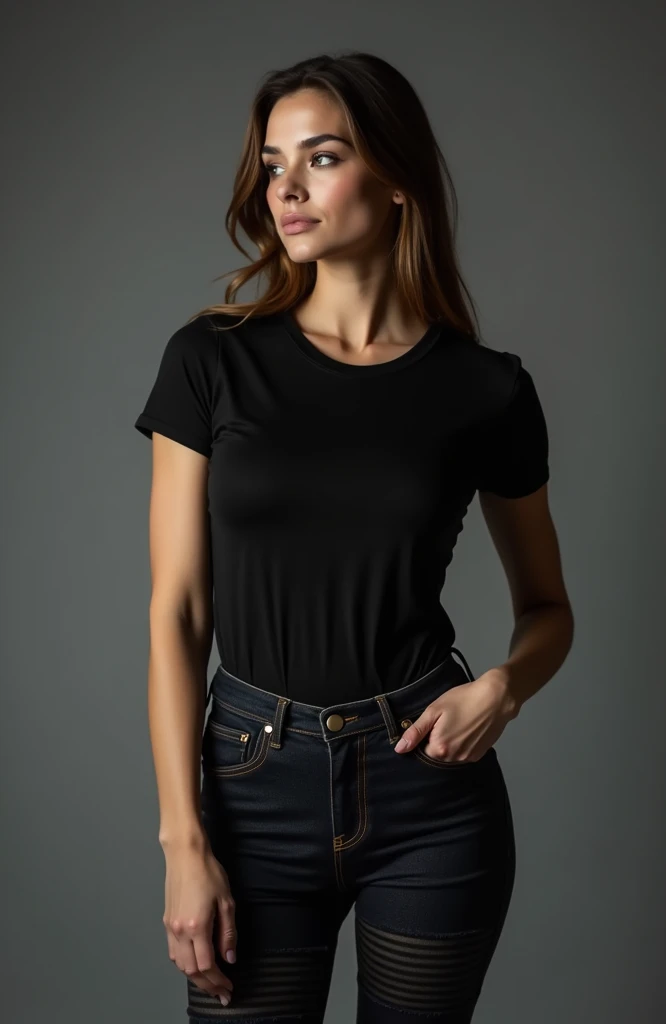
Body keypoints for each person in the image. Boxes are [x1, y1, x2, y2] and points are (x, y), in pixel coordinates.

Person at [134, 50, 573, 1024]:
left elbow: (547, 608)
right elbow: (178, 611)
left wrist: (500, 688)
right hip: (250, 782)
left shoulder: (485, 389)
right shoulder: (210, 363)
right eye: (272, 161)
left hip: (429, 788)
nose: (284, 186)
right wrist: (184, 842)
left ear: (399, 179)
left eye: (321, 157)